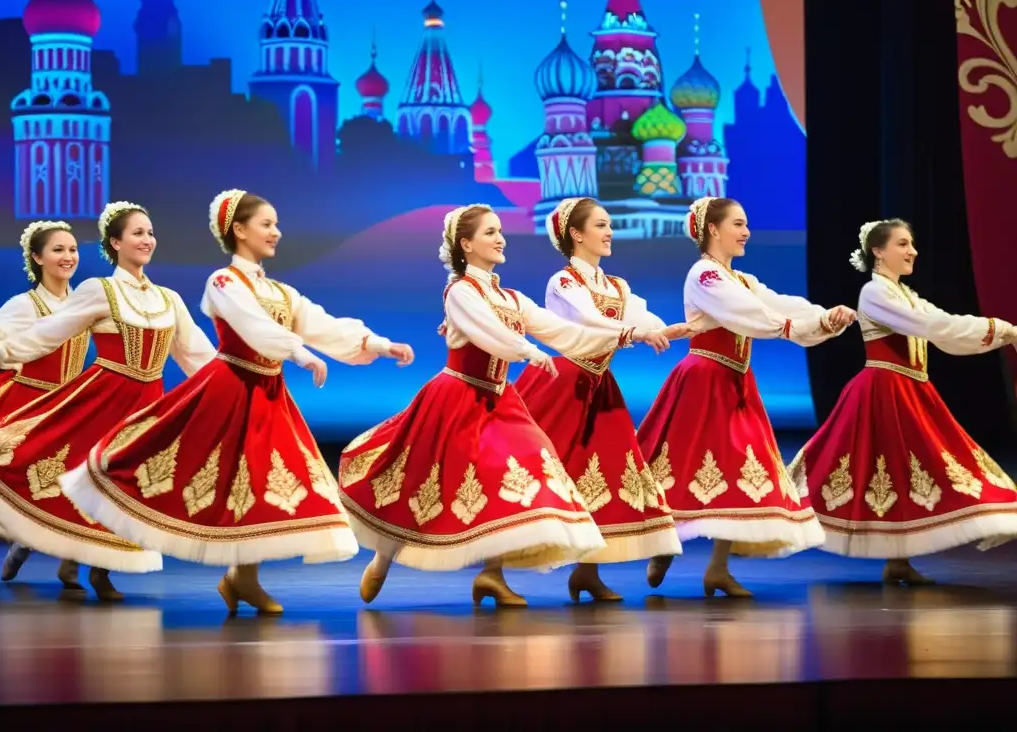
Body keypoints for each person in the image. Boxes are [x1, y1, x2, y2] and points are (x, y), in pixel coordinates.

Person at [61, 190, 415, 615]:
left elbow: (321, 323)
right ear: (239, 230)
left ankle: (242, 578)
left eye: (276, 224)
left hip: (267, 394)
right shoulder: (223, 282)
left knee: (262, 483)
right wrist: (297, 352)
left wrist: (378, 343)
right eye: (266, 224)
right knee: (207, 476)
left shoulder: (282, 292)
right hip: (229, 391)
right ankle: (115, 539)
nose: (276, 232)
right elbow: (253, 326)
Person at [338, 204, 670, 607]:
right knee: (419, 477)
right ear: (466, 244)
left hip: (499, 399)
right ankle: (383, 556)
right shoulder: (460, 291)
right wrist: (527, 350)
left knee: (527, 465)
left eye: (500, 232)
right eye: (490, 233)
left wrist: (629, 335)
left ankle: (491, 575)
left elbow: (564, 331)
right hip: (455, 397)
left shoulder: (511, 297)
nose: (500, 239)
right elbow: (490, 332)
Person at [0, 201, 216, 600]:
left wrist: (236, 384)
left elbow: (198, 355)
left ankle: (94, 567)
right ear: (115, 242)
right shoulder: (100, 290)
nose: (147, 240)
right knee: (71, 476)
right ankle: (43, 546)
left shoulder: (168, 299)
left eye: (150, 233)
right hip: (102, 401)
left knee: (124, 489)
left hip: (147, 408)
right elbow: (46, 335)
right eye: (137, 233)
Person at [636, 196, 856, 597]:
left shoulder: (743, 280)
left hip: (736, 382)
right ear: (713, 230)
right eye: (738, 224)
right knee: (680, 465)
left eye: (747, 223)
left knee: (741, 467)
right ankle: (664, 543)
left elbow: (777, 304)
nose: (746, 231)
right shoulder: (704, 276)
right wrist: (798, 325)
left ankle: (717, 569)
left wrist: (825, 317)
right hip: (702, 381)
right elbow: (748, 315)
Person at [788, 219, 1017, 584]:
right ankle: (764, 524)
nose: (913, 251)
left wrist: (1000, 332)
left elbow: (945, 325)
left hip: (911, 390)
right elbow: (934, 328)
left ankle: (898, 561)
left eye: (911, 244)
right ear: (878, 251)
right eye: (903, 244)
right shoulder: (874, 293)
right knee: (881, 469)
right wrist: (1001, 330)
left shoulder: (905, 294)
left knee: (904, 472)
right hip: (883, 389)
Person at [513, 197, 691, 602]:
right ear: (576, 234)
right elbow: (590, 320)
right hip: (562, 384)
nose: (609, 231)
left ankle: (587, 572)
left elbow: (642, 315)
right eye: (601, 225)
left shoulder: (616, 285)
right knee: (536, 470)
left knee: (605, 472)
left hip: (597, 384)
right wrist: (633, 333)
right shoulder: (564, 282)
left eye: (609, 224)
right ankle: (492, 567)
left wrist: (670, 329)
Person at [0, 221, 89, 584]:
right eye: (58, 250)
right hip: (26, 402)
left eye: (72, 250)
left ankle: (70, 559)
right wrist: (11, 358)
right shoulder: (24, 305)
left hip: (71, 403)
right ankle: (23, 540)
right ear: (37, 257)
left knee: (80, 480)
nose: (68, 257)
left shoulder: (87, 300)